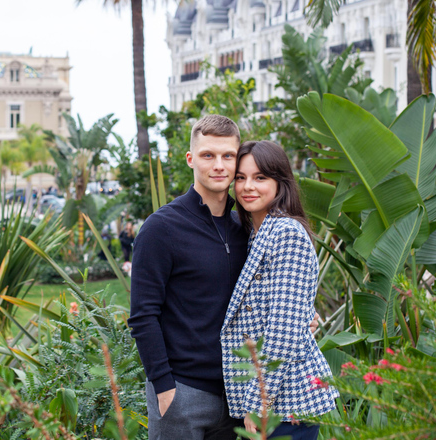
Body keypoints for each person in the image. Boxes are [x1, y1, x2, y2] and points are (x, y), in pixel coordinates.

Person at [130, 115, 318, 439]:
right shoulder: (161, 228)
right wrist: (164, 388)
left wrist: (305, 317)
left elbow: (275, 298)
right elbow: (143, 315)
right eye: (208, 155)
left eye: (227, 156)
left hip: (240, 397)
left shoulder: (247, 231)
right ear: (191, 159)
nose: (218, 165)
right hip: (183, 393)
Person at [221, 141, 338, 439]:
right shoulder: (257, 233)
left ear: (279, 183)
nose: (248, 186)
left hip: (286, 403)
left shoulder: (286, 234)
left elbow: (282, 332)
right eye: (241, 177)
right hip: (277, 400)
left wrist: (259, 403)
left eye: (260, 178)